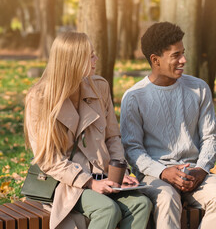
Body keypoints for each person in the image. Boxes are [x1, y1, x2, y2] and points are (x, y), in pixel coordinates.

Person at [23, 32, 152, 229]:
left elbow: (112, 137)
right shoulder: (39, 98)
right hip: (65, 182)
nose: (96, 59)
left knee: (141, 204)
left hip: (102, 175)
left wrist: (118, 174)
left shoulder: (99, 87)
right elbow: (49, 160)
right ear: (72, 60)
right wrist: (89, 183)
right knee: (107, 209)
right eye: (90, 55)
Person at [120, 22, 216, 229]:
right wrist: (164, 172)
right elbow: (133, 149)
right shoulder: (134, 97)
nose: (183, 60)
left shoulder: (199, 88)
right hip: (154, 174)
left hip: (195, 171)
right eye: (175, 55)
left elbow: (211, 137)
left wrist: (201, 168)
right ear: (155, 60)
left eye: (183, 53)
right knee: (167, 199)